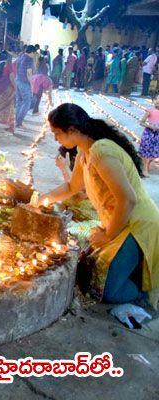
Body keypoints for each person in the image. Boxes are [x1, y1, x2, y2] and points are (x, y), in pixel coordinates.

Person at [40, 103, 159, 307]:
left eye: (57, 133)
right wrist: (43, 200)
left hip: (136, 225)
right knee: (89, 275)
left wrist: (107, 236)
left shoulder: (101, 152)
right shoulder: (84, 150)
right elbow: (72, 186)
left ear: (73, 130)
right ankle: (130, 271)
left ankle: (143, 292)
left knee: (105, 292)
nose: (56, 139)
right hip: (118, 220)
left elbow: (128, 199)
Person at [15, 45, 35, 129]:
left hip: (17, 80)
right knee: (27, 101)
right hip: (24, 82)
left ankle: (17, 121)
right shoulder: (29, 59)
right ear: (32, 52)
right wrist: (32, 85)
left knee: (19, 101)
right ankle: (19, 122)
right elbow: (29, 73)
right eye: (34, 53)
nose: (34, 55)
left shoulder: (21, 57)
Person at [139, 97, 159, 175]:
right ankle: (145, 167)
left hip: (157, 135)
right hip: (149, 134)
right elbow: (141, 122)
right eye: (157, 100)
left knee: (154, 151)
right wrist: (150, 126)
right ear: (154, 101)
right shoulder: (149, 111)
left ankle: (148, 164)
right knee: (146, 150)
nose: (158, 101)